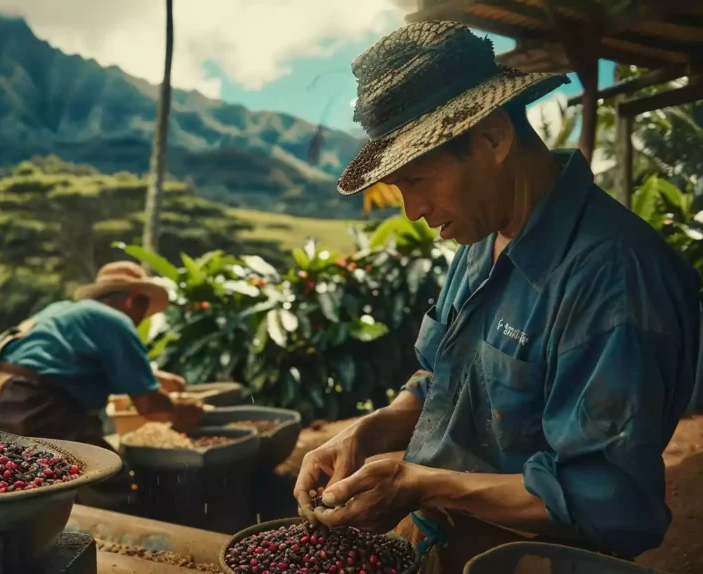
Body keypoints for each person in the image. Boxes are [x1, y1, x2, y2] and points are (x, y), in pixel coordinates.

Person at [294, 21, 700, 573]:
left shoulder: (614, 280)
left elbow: (611, 501)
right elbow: (446, 381)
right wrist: (370, 429)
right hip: (446, 545)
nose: (411, 211)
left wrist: (420, 484)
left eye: (416, 180)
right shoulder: (480, 235)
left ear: (491, 138)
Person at [0, 260, 206, 509]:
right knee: (103, 477)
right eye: (144, 310)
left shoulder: (64, 312)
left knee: (40, 482)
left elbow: (62, 360)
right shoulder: (116, 320)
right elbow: (148, 405)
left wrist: (159, 379)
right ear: (134, 299)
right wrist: (182, 412)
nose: (142, 319)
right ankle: (120, 549)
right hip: (37, 402)